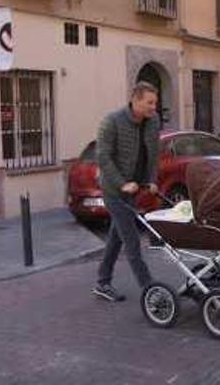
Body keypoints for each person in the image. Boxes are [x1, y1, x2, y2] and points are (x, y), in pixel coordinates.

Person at [92, 81, 161, 302]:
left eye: (155, 103)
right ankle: (150, 290)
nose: (154, 108)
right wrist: (121, 183)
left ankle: (103, 282)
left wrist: (151, 180)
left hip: (134, 188)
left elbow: (154, 154)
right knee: (131, 240)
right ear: (135, 100)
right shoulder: (111, 122)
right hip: (114, 190)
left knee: (116, 237)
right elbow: (102, 156)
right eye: (149, 103)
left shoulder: (153, 122)